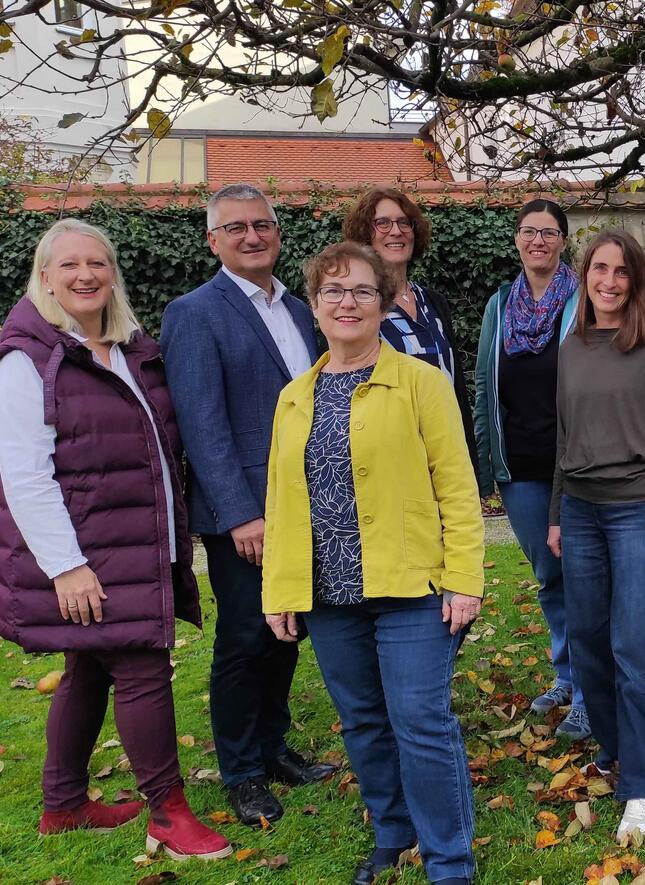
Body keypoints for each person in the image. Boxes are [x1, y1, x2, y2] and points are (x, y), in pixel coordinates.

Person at [0, 219, 231, 861]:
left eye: (97, 264)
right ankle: (169, 812)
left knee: (88, 666)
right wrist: (66, 567)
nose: (85, 276)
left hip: (137, 540)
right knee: (141, 666)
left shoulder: (127, 347)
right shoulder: (28, 358)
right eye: (69, 265)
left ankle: (64, 804)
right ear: (44, 276)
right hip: (90, 551)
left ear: (112, 273)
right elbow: (22, 473)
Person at [262, 241, 483, 885]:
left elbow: (457, 488)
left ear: (383, 303)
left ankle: (449, 861)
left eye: (361, 290)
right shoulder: (295, 397)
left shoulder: (421, 382)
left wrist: (465, 580)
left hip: (414, 586)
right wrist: (280, 590)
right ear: (313, 305)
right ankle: (393, 832)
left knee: (419, 720)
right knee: (361, 720)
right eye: (333, 291)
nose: (347, 302)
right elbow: (281, 499)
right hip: (330, 594)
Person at [160, 184, 335, 828]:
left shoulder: (299, 308)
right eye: (235, 228)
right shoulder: (194, 312)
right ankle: (241, 771)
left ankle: (273, 746)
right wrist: (239, 515)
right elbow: (202, 425)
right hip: (249, 514)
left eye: (262, 225)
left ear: (277, 233)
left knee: (288, 631)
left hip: (308, 502)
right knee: (244, 638)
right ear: (213, 240)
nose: (252, 236)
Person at [546, 230, 645, 843]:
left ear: (636, 281)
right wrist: (555, 512)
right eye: (598, 269)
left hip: (637, 509)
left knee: (635, 645)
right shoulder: (572, 346)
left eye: (620, 271)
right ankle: (613, 747)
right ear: (585, 276)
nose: (608, 281)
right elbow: (563, 435)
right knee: (587, 642)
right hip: (579, 510)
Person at [472, 199, 588, 739]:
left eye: (548, 232)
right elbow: (482, 386)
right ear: (515, 240)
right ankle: (566, 675)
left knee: (583, 576)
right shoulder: (499, 305)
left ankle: (590, 691)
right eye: (527, 231)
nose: (537, 240)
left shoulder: (585, 299)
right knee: (549, 577)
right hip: (517, 465)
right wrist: (486, 462)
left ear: (564, 240)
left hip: (576, 466)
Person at [341, 186, 478, 470]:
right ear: (365, 233)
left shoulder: (434, 302)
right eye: (383, 223)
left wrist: (471, 467)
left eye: (405, 222)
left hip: (446, 457)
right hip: (391, 463)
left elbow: (456, 388)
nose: (396, 231)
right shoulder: (356, 305)